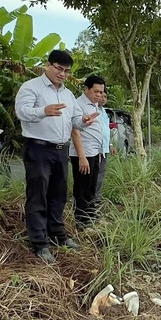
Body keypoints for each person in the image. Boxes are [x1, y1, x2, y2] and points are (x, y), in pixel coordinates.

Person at [14, 50, 99, 264]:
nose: (62, 74)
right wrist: (44, 110)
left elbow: (74, 120)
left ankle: (58, 235)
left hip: (61, 150)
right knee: (38, 195)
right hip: (38, 149)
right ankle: (40, 243)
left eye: (67, 71)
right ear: (48, 65)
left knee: (58, 195)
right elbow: (21, 111)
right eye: (59, 68)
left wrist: (84, 120)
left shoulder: (68, 94)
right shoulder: (32, 87)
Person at [69, 76, 106, 231]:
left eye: (101, 92)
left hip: (94, 152)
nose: (98, 95)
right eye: (95, 91)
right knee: (82, 187)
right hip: (82, 153)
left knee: (91, 187)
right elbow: (75, 131)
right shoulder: (79, 105)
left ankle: (90, 216)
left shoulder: (95, 106)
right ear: (86, 89)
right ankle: (82, 221)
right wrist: (82, 157)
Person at [94, 88, 116, 205]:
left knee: (101, 173)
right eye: (101, 95)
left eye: (105, 97)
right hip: (95, 149)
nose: (103, 99)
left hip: (104, 149)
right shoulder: (93, 110)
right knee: (94, 174)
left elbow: (106, 130)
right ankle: (91, 198)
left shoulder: (104, 112)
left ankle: (97, 197)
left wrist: (110, 144)